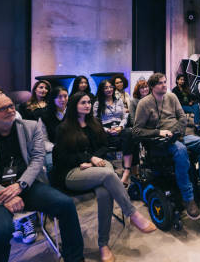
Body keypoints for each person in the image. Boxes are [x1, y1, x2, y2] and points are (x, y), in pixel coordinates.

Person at [0, 94, 85, 262]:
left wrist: (21, 185)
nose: (10, 110)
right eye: (2, 108)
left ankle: (74, 258)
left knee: (66, 204)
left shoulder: (30, 127)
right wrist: (4, 195)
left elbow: (37, 158)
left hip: (25, 185)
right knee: (1, 229)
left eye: (11, 106)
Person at [53, 92, 155, 262]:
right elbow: (61, 157)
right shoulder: (64, 128)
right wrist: (87, 159)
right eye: (82, 102)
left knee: (105, 192)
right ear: (73, 105)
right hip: (72, 172)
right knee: (108, 174)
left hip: (97, 168)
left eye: (88, 102)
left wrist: (93, 162)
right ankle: (132, 213)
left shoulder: (94, 123)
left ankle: (103, 245)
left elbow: (103, 148)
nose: (87, 105)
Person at [133, 73, 200, 220]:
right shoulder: (144, 103)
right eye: (160, 83)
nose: (164, 85)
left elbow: (182, 118)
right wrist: (160, 132)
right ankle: (188, 198)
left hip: (178, 136)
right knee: (181, 150)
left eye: (165, 82)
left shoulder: (171, 97)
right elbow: (136, 131)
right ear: (152, 87)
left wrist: (175, 132)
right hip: (158, 142)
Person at [122, 80, 150, 185]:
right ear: (138, 90)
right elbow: (134, 120)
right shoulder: (134, 101)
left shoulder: (152, 99)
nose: (145, 89)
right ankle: (132, 169)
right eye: (142, 88)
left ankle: (132, 169)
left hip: (152, 129)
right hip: (139, 128)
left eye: (146, 87)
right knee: (130, 137)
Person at [40, 86, 69, 171]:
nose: (63, 99)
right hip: (52, 148)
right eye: (59, 97)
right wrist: (56, 148)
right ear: (53, 98)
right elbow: (43, 139)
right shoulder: (45, 116)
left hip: (73, 147)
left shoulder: (73, 113)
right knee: (51, 165)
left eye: (65, 96)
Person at [93, 79, 127, 150]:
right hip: (105, 129)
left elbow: (124, 117)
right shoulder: (97, 103)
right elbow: (95, 122)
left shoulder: (119, 100)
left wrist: (120, 127)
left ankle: (129, 161)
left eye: (111, 87)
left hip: (119, 127)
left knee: (130, 134)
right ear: (101, 90)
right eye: (106, 88)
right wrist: (107, 130)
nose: (109, 89)